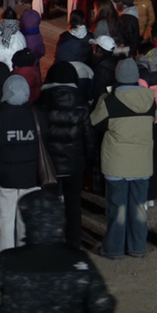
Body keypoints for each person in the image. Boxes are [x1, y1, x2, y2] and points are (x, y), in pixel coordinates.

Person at [0, 189, 117, 313]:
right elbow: (103, 305)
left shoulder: (9, 261)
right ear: (59, 220)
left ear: (28, 221)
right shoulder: (79, 261)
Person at [91, 59, 156, 259]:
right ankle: (137, 246)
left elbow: (95, 122)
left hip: (116, 162)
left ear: (117, 76)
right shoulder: (150, 100)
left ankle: (114, 248)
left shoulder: (110, 100)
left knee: (117, 208)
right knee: (138, 207)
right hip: (142, 162)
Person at [0, 75, 42, 253]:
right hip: (32, 178)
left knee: (4, 222)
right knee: (27, 224)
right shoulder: (37, 115)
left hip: (5, 179)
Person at [40, 61, 93, 250]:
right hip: (74, 162)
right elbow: (88, 136)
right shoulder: (81, 101)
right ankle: (74, 243)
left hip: (49, 164)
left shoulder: (42, 100)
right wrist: (89, 161)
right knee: (73, 205)